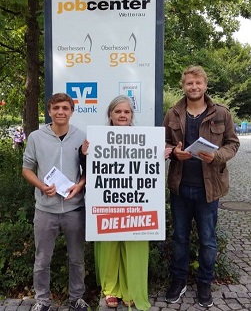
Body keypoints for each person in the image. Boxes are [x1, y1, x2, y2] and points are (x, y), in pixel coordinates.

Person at [80, 95, 171, 310]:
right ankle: (111, 290)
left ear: (132, 115)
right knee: (109, 245)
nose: (122, 115)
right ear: (110, 114)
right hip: (109, 204)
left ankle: (132, 289)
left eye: (127, 112)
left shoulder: (146, 139)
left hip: (137, 206)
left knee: (136, 245)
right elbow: (88, 169)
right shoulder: (96, 139)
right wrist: (84, 153)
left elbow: (151, 168)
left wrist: (162, 155)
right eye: (118, 111)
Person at [162, 66, 240, 308]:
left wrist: (217, 155)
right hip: (180, 187)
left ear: (205, 85)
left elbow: (233, 144)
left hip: (210, 188)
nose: (193, 87)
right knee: (180, 238)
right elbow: (164, 143)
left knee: (208, 240)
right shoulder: (173, 113)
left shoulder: (222, 113)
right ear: (183, 86)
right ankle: (179, 280)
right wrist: (174, 152)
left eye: (197, 83)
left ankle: (205, 283)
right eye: (189, 83)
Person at [22, 93, 88, 311]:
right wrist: (41, 186)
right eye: (56, 108)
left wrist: (80, 185)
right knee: (42, 260)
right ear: (49, 111)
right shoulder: (36, 137)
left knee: (77, 259)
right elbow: (26, 168)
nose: (61, 112)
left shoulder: (81, 137)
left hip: (74, 208)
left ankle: (76, 298)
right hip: (45, 209)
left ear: (71, 111)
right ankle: (42, 300)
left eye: (65, 108)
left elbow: (89, 170)